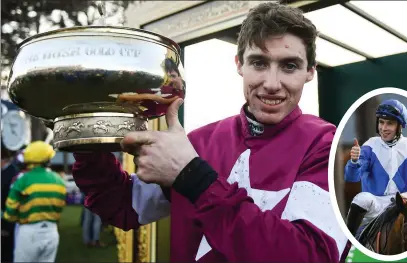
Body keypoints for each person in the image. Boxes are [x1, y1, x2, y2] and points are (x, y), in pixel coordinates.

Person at [72, 3, 349, 262]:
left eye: (289, 65)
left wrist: (193, 178)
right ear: (239, 64)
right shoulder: (197, 142)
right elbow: (122, 205)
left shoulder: (326, 146)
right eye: (259, 63)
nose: (272, 83)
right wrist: (84, 136)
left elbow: (311, 255)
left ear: (310, 72)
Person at [344, 99, 407, 238]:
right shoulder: (370, 146)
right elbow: (352, 177)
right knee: (361, 199)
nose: (384, 128)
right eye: (381, 122)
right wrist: (354, 161)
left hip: (404, 204)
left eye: (390, 123)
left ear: (400, 126)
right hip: (376, 204)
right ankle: (346, 243)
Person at [2, 141, 67, 263]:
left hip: (28, 233)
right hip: (52, 232)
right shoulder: (59, 180)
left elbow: (10, 214)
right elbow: (61, 206)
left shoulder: (22, 180)